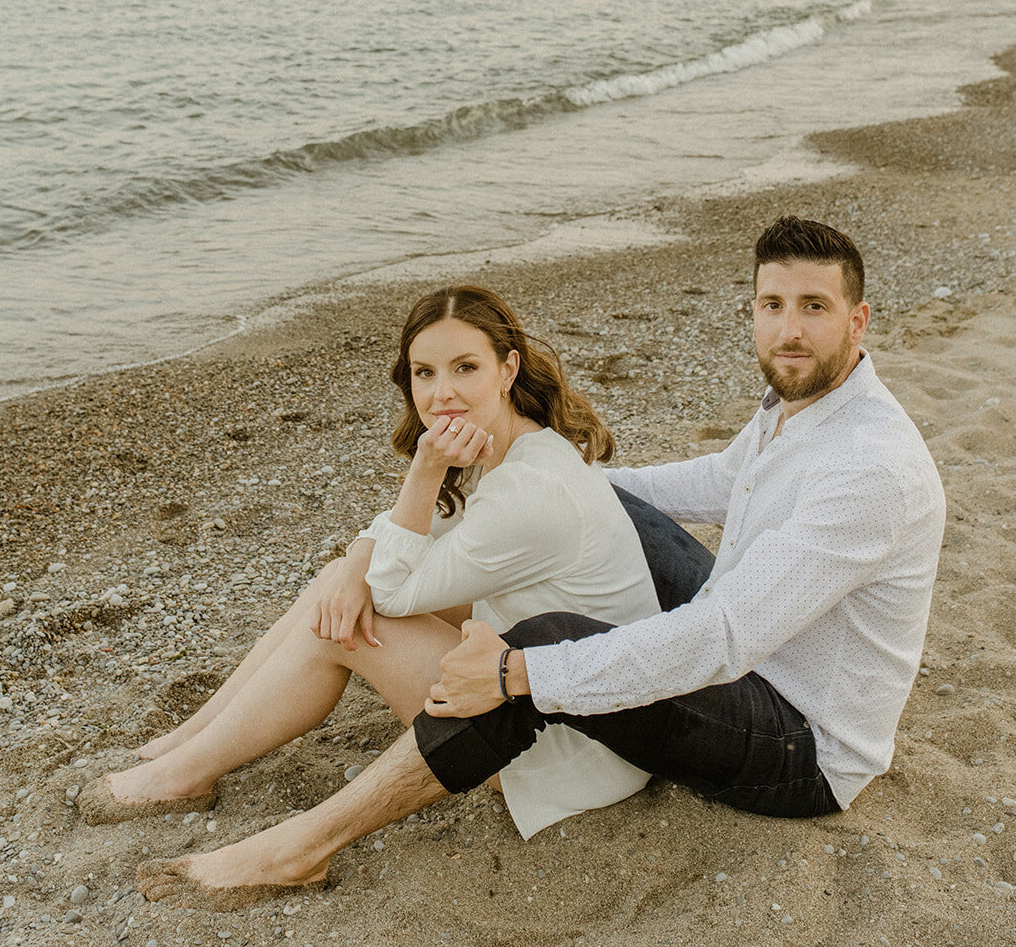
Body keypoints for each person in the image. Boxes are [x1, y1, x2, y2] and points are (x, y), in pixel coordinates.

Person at [137, 215, 946, 912]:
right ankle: (195, 748)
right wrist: (562, 477)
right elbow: (716, 483)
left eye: (814, 308)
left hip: (799, 741)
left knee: (544, 640)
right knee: (610, 509)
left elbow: (719, 640)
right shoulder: (796, 404)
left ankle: (303, 845)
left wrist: (518, 674)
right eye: (772, 306)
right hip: (754, 640)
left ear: (858, 319)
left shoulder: (866, 468)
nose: (789, 330)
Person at [78, 288, 660, 889]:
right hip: (552, 693)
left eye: (466, 368)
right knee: (342, 586)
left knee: (353, 620)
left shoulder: (531, 492)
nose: (442, 395)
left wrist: (424, 471)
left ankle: (186, 772)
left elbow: (392, 592)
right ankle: (194, 739)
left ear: (507, 368)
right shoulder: (513, 447)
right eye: (424, 373)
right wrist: (357, 558)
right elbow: (391, 550)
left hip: (572, 748)